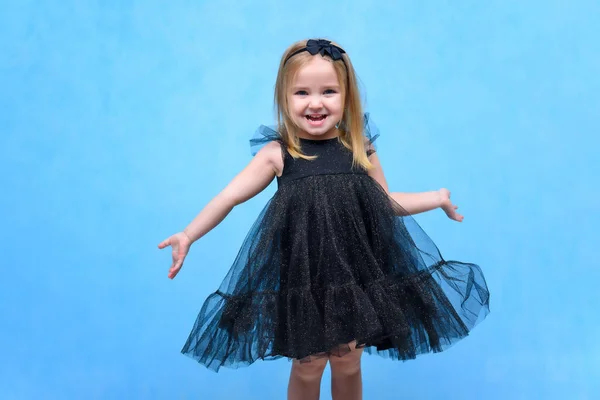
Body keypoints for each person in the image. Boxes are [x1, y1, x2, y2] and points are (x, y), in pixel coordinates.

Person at [158, 38, 490, 400]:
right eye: (302, 92)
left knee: (348, 361)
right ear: (284, 98)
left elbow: (385, 202)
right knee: (308, 364)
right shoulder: (278, 154)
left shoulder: (360, 148)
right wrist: (189, 233)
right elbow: (229, 197)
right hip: (305, 278)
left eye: (329, 91)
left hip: (355, 276)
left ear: (347, 96)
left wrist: (435, 198)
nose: (315, 103)